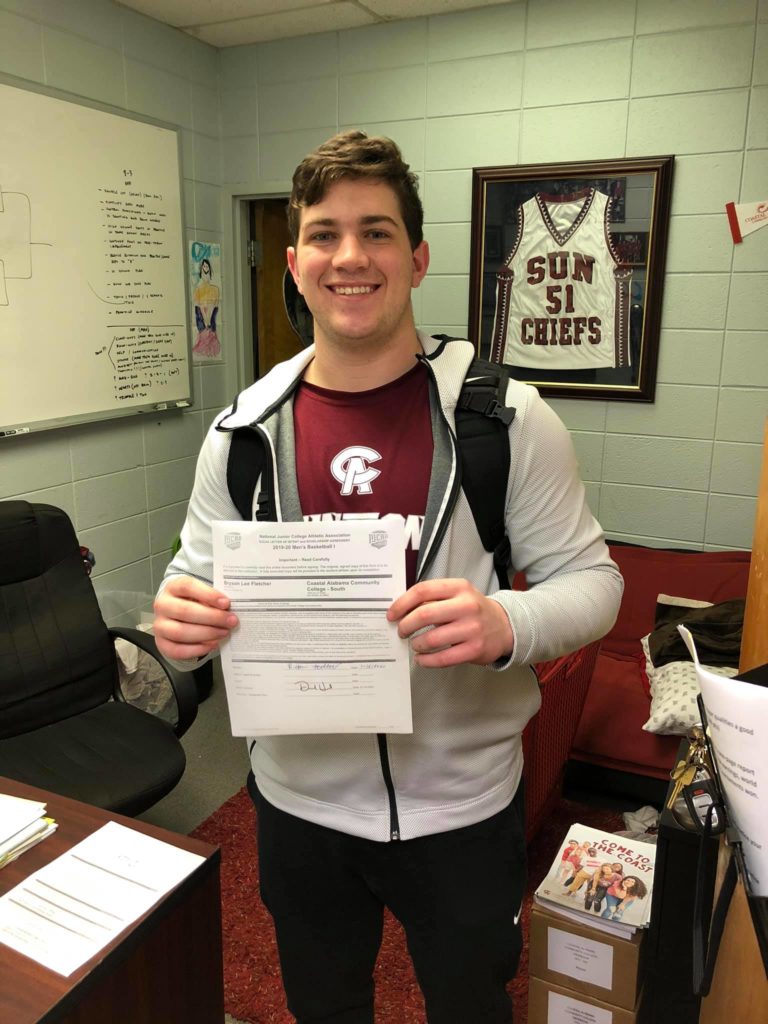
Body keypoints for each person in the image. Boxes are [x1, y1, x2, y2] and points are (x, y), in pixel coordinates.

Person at [153, 130, 623, 1024]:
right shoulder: (242, 432)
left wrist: (506, 623)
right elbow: (190, 584)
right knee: (323, 1007)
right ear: (295, 264)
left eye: (376, 232)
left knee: (470, 1006)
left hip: (462, 806)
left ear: (417, 258)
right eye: (324, 235)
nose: (350, 257)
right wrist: (177, 624)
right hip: (297, 805)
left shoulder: (505, 418)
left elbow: (594, 582)